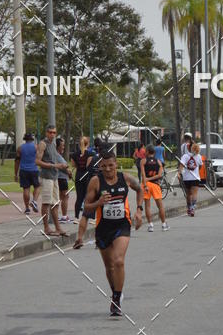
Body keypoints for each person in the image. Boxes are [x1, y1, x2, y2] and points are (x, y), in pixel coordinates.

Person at [82, 149, 143, 316]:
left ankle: (116, 299)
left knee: (118, 261)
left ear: (116, 164)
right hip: (103, 228)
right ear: (100, 166)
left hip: (122, 225)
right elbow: (86, 206)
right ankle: (116, 291)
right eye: (104, 166)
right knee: (109, 267)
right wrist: (99, 202)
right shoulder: (95, 182)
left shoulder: (125, 178)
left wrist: (139, 210)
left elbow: (140, 189)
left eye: (111, 165)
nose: (108, 169)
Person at [36, 124, 69, 236]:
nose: (52, 134)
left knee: (55, 203)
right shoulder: (42, 144)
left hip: (54, 177)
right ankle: (46, 228)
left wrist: (62, 168)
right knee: (46, 203)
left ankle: (58, 228)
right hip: (46, 177)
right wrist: (53, 166)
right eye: (50, 132)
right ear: (46, 133)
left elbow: (55, 161)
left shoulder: (53, 144)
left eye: (54, 132)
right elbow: (37, 161)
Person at [141, 144, 169, 231]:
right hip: (156, 185)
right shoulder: (159, 162)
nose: (144, 152)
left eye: (145, 151)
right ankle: (164, 224)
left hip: (146, 184)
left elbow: (143, 175)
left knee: (147, 206)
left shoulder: (143, 161)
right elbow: (159, 175)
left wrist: (146, 181)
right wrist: (150, 178)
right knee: (160, 206)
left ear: (148, 152)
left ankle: (150, 225)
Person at [14, 132, 40, 214]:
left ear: (24, 139)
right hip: (34, 170)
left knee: (26, 189)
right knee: (37, 186)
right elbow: (40, 159)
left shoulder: (20, 148)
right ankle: (34, 201)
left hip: (24, 171)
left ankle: (27, 208)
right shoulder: (36, 147)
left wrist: (16, 174)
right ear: (32, 139)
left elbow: (17, 162)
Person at [178, 142, 203, 216]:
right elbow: (201, 166)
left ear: (189, 148)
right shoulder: (198, 156)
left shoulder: (185, 156)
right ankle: (192, 208)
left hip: (186, 178)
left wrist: (179, 173)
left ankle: (189, 208)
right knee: (194, 193)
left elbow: (181, 166)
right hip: (195, 178)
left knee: (188, 194)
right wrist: (196, 171)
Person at [70, 135, 91, 219]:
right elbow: (88, 166)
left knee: (79, 197)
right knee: (88, 197)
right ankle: (87, 216)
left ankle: (76, 217)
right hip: (87, 176)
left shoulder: (74, 154)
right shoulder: (90, 154)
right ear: (88, 144)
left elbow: (73, 165)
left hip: (78, 176)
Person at [56, 136, 72, 222]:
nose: (63, 147)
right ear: (58, 146)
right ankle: (64, 216)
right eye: (62, 145)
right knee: (65, 197)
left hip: (61, 178)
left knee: (60, 197)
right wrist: (69, 172)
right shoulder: (57, 156)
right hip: (61, 179)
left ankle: (58, 216)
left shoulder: (58, 155)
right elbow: (63, 167)